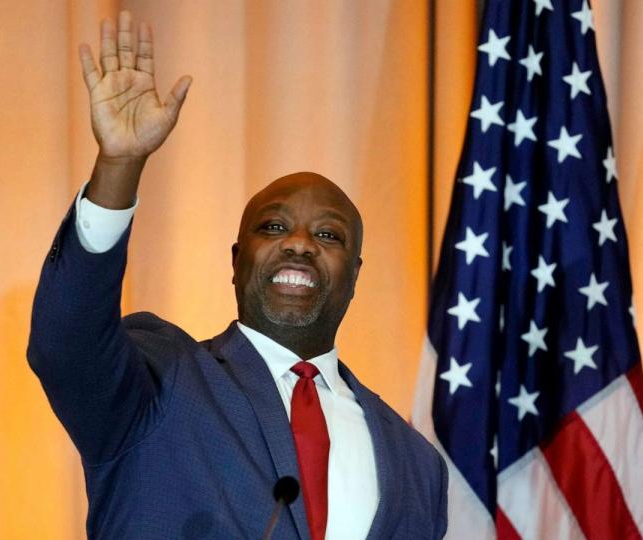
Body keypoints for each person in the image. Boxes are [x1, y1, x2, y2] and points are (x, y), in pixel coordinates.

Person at [27, 11, 447, 540]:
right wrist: (118, 167)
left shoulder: (417, 464)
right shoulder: (160, 380)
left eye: (329, 235)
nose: (299, 243)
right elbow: (65, 344)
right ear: (236, 260)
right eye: (273, 227)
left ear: (355, 274)